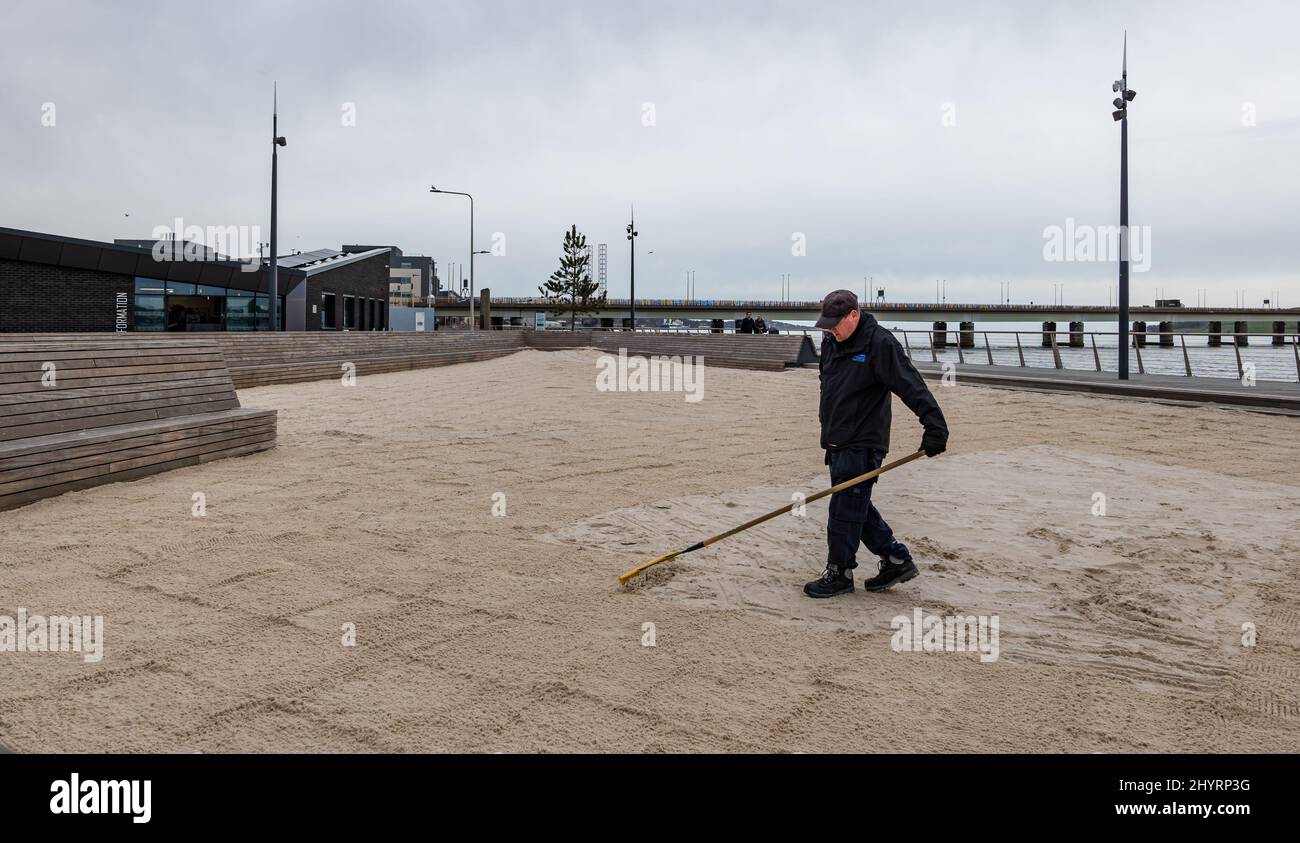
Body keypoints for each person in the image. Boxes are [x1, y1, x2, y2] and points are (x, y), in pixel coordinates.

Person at [804, 289, 948, 598]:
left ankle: (839, 572)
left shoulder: (879, 343)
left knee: (843, 507)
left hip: (864, 441)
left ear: (854, 315)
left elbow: (911, 385)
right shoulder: (831, 343)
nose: (830, 329)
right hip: (836, 441)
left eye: (835, 323)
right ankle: (896, 558)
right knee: (856, 504)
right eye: (826, 324)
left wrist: (934, 425)